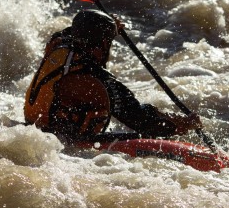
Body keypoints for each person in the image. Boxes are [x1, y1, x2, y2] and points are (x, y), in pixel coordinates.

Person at [24, 9, 202, 143]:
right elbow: (140, 119)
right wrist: (183, 124)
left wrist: (109, 27)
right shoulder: (96, 81)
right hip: (63, 142)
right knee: (145, 134)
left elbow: (75, 30)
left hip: (31, 128)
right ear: (103, 44)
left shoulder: (58, 44)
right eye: (109, 43)